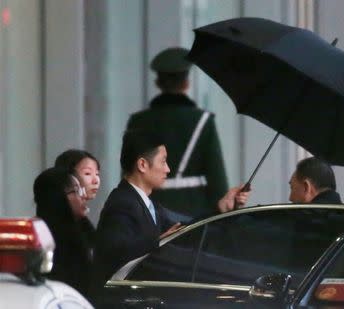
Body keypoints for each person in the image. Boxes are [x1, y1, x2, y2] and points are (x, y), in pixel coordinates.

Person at [92, 129, 248, 298]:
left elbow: (184, 231)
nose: (167, 169)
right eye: (163, 161)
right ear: (143, 164)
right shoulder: (121, 203)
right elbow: (114, 251)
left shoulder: (149, 204)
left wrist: (220, 208)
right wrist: (158, 241)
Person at [126, 47, 228, 219]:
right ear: (186, 83)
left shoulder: (138, 122)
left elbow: (130, 175)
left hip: (149, 214)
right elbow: (217, 179)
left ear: (158, 83)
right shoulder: (203, 121)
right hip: (195, 215)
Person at [33, 167, 94, 297]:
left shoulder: (84, 228)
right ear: (58, 197)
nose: (84, 196)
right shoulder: (42, 238)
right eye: (77, 191)